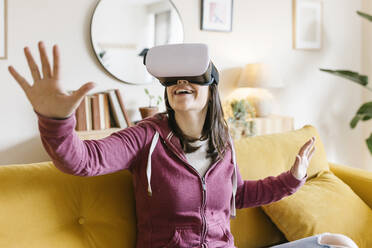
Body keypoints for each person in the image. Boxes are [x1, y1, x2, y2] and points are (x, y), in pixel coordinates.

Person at [8, 41, 358, 248]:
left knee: (337, 244)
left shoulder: (224, 144)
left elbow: (237, 196)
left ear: (211, 85)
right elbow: (83, 160)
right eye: (172, 79)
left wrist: (293, 179)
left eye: (191, 76)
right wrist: (56, 121)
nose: (180, 82)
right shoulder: (147, 136)